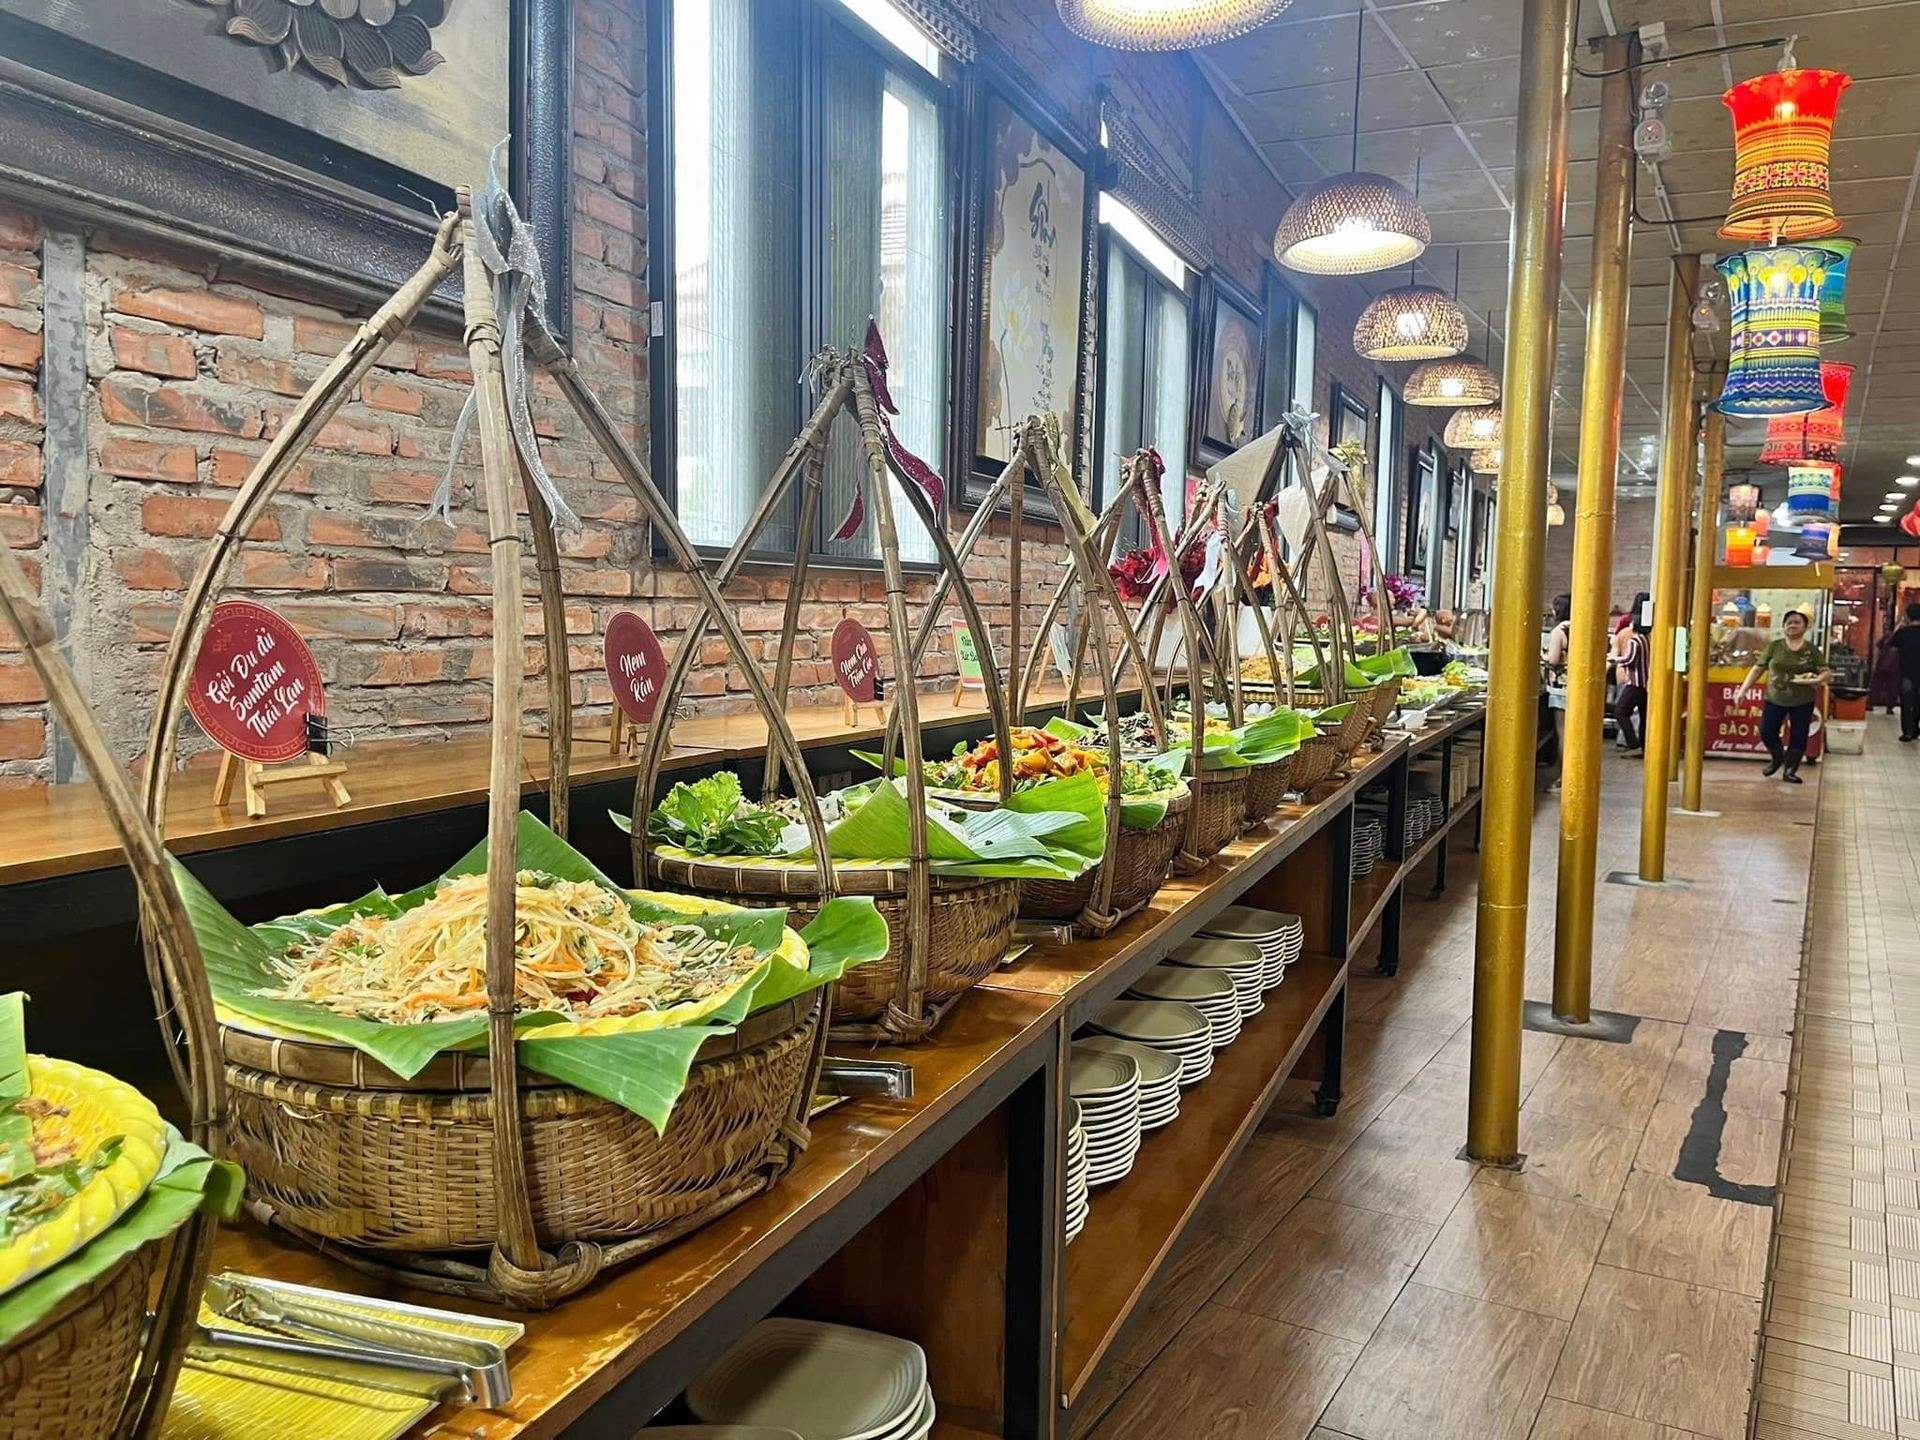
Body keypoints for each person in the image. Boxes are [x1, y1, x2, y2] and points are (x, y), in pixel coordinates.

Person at [1738, 608, 1833, 783]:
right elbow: (1758, 668)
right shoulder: (1774, 646)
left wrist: (1818, 679)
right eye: (1789, 622)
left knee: (1799, 734)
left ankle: (1790, 770)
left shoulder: (1811, 650)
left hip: (1803, 699)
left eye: (1797, 622)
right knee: (1767, 731)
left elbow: (1826, 672)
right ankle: (1777, 757)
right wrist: (1743, 690)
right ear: (1784, 627)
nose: (1792, 626)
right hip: (1775, 697)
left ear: (1805, 627)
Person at [1611, 611, 1649, 756]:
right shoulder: (1646, 639)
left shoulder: (1634, 640)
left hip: (1634, 682)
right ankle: (1644, 746)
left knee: (1620, 712)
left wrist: (1615, 659)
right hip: (1644, 683)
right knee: (1643, 715)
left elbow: (1630, 659)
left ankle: (1633, 744)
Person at [1543, 594, 1571, 788]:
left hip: (1562, 686)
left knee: (1563, 732)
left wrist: (1542, 654)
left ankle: (1563, 777)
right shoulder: (1582, 626)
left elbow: (1553, 660)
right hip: (1580, 687)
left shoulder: (1559, 631)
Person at [1888, 603, 1920, 741]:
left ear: (1907, 616)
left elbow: (1892, 651)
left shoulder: (1902, 632)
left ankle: (1908, 732)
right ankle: (1916, 728)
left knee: (1907, 702)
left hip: (1906, 673)